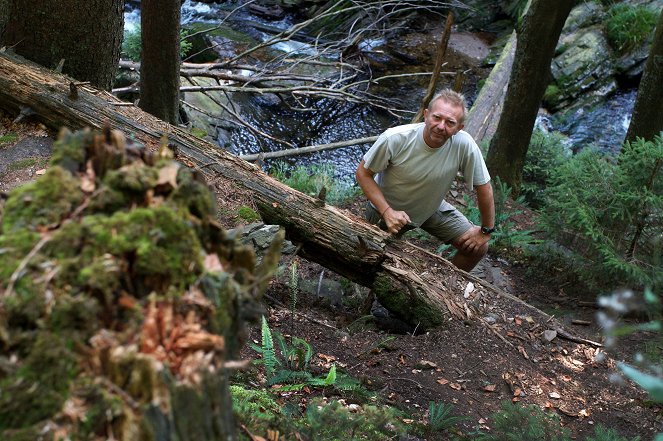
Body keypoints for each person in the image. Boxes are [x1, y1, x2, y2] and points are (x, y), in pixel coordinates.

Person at [355, 89, 495, 272]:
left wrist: (486, 231)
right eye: (437, 118)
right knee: (371, 263)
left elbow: (484, 188)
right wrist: (387, 211)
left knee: (477, 248)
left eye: (450, 122)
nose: (441, 126)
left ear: (459, 127)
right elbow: (362, 174)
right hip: (386, 210)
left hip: (430, 207)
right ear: (426, 115)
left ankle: (443, 288)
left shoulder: (464, 145)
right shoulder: (396, 138)